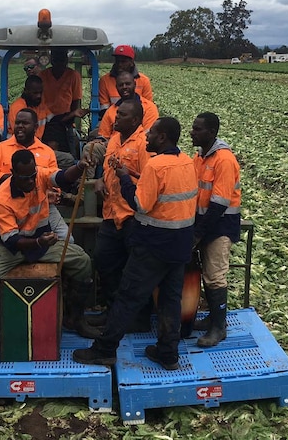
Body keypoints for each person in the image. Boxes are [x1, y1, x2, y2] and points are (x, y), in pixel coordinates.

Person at [73, 117, 198, 371]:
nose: (147, 137)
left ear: (162, 138)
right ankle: (168, 353)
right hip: (180, 244)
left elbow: (140, 204)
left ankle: (105, 350)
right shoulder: (186, 161)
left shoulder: (156, 165)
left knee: (127, 297)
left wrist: (124, 179)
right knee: (170, 300)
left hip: (153, 244)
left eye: (151, 134)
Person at [0, 150, 99, 372]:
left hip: (43, 244)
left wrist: (79, 166)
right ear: (13, 174)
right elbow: (11, 240)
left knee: (82, 261)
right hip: (11, 249)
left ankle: (75, 319)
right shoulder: (2, 198)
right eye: (25, 178)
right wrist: (40, 242)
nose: (31, 181)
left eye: (33, 175)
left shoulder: (38, 175)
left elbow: (61, 177)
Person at [89, 99, 153, 330]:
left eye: (122, 115)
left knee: (135, 271)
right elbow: (108, 170)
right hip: (111, 213)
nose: (115, 118)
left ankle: (139, 318)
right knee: (104, 260)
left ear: (135, 120)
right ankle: (112, 313)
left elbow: (149, 180)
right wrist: (98, 181)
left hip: (132, 216)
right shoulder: (114, 139)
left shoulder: (145, 144)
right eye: (117, 114)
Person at [188, 112, 241, 347]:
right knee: (208, 274)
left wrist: (198, 232)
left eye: (198, 129)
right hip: (204, 222)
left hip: (219, 225)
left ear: (211, 133)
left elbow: (219, 203)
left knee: (215, 275)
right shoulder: (200, 157)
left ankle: (219, 328)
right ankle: (212, 319)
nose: (192, 132)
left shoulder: (224, 160)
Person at [0, 108, 72, 242]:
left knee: (67, 240)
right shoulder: (0, 149)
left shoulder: (47, 151)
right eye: (17, 123)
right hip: (10, 207)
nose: (20, 126)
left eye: (25, 123)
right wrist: (14, 180)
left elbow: (53, 178)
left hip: (42, 208)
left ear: (35, 127)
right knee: (8, 242)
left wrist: (53, 192)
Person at [38, 47, 86, 155]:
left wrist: (71, 118)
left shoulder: (73, 75)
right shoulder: (43, 75)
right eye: (56, 59)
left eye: (61, 59)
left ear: (66, 60)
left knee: (71, 144)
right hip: (46, 118)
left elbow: (75, 99)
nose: (59, 62)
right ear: (52, 60)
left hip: (64, 118)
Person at [96, 71, 159, 140]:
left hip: (140, 146)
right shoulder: (111, 110)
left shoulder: (149, 107)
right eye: (121, 85)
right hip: (113, 146)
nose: (124, 87)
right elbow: (103, 135)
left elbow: (149, 136)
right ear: (116, 87)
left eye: (128, 84)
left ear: (135, 84)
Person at [98, 45, 154, 111]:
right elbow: (104, 108)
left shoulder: (144, 80)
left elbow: (148, 107)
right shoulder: (105, 80)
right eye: (117, 61)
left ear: (131, 63)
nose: (119, 64)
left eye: (123, 61)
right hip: (113, 119)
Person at [7, 75, 52, 141]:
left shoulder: (40, 104)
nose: (39, 96)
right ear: (25, 91)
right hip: (18, 144)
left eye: (40, 92)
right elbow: (20, 132)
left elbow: (52, 120)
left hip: (37, 142)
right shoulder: (18, 107)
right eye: (35, 93)